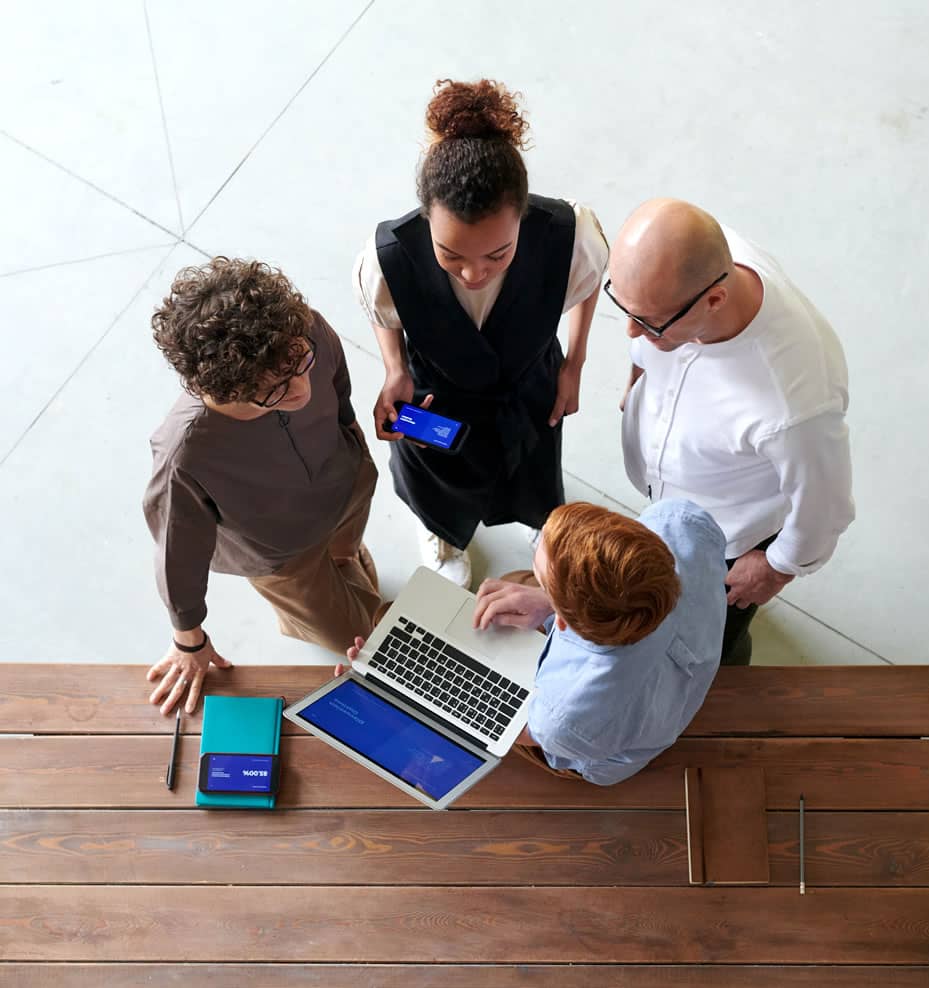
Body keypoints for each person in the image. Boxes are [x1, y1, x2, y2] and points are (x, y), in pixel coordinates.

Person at [353, 78, 608, 587]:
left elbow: (585, 287)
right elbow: (386, 315)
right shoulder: (386, 259)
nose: (474, 274)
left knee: (535, 464)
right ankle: (441, 531)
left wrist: (574, 364)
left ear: (522, 215)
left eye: (498, 254)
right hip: (437, 393)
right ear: (427, 219)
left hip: (527, 380)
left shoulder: (568, 234)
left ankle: (542, 524)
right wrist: (395, 369)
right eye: (451, 256)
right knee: (435, 475)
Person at [607, 199, 854, 665]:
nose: (630, 333)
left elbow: (826, 506)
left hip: (726, 539)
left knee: (706, 646)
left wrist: (777, 569)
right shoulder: (692, 267)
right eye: (624, 307)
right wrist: (637, 378)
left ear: (713, 300)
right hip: (674, 497)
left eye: (648, 323)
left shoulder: (795, 404)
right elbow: (645, 331)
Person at [339, 500, 725, 786]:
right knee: (503, 590)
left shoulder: (563, 719)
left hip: (604, 751)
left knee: (388, 618)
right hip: (677, 680)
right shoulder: (680, 522)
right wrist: (546, 598)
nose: (535, 575)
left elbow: (522, 728)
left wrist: (400, 688)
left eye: (543, 579)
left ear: (563, 621)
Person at [143, 258, 381, 716]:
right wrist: (189, 640)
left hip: (345, 479)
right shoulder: (184, 455)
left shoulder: (300, 331)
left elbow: (334, 378)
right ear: (223, 391)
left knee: (345, 551)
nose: (300, 390)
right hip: (283, 555)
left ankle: (345, 559)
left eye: (299, 363)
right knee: (352, 635)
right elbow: (177, 553)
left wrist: (349, 427)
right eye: (272, 391)